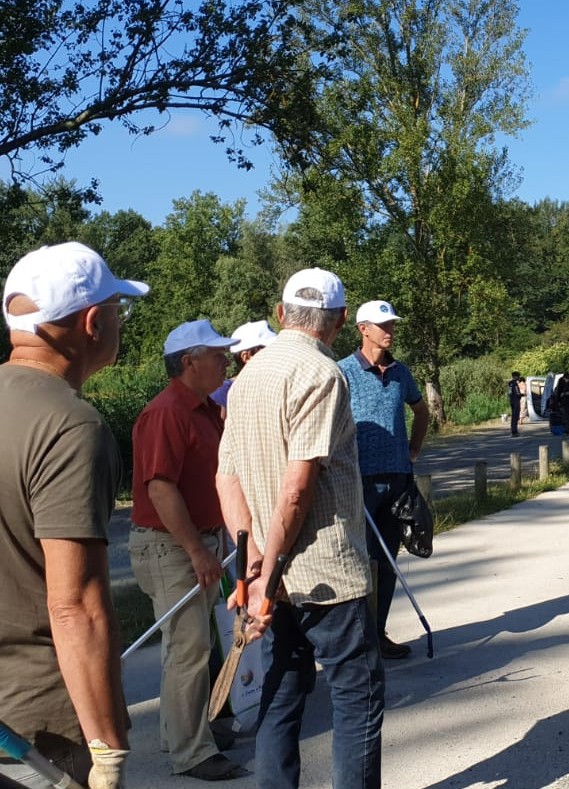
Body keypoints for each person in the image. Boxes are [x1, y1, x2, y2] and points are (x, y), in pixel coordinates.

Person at [216, 268, 385, 789]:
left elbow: (227, 478)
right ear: (337, 322)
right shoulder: (322, 374)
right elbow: (297, 485)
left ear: (281, 313)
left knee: (282, 691)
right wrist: (266, 573)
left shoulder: (247, 378)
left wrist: (253, 562)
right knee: (356, 696)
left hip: (272, 568)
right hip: (326, 572)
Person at [0, 242, 141, 789]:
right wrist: (107, 749)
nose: (117, 322)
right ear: (91, 323)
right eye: (116, 310)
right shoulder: (71, 427)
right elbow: (76, 606)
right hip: (43, 730)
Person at [129, 320, 247, 781]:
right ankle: (192, 752)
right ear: (188, 363)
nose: (225, 361)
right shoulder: (167, 413)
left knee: (186, 646)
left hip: (193, 541)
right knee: (190, 649)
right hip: (172, 546)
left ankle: (181, 733)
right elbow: (160, 489)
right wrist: (198, 550)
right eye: (216, 354)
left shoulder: (199, 409)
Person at [338, 299, 430, 660]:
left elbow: (420, 411)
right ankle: (356, 640)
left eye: (392, 325)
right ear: (363, 329)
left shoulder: (400, 373)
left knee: (387, 560)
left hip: (397, 480)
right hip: (357, 481)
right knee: (357, 562)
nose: (390, 331)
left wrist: (413, 451)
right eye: (383, 325)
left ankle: (378, 634)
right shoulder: (342, 371)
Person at [210, 320, 276, 409]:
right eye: (270, 350)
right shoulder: (223, 394)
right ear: (247, 357)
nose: (278, 354)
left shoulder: (275, 388)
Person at [507, 371, 524, 435]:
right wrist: (522, 394)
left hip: (511, 401)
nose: (519, 378)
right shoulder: (515, 384)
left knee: (513, 416)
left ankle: (513, 430)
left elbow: (509, 393)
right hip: (516, 401)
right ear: (516, 376)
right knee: (516, 416)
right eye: (518, 376)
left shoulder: (510, 383)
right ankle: (514, 431)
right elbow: (517, 393)